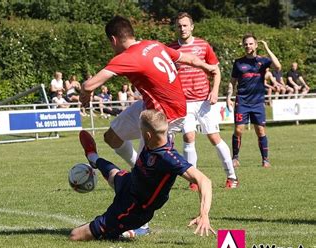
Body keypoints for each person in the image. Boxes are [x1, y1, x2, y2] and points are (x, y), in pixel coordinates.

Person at [80, 15, 218, 169]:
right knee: (112, 137)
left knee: (146, 173)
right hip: (154, 105)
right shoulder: (153, 45)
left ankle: (198, 181)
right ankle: (135, 171)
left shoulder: (128, 57)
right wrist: (208, 67)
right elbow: (190, 59)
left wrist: (85, 94)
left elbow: (87, 85)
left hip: (165, 114)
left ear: (113, 40)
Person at [70, 109, 215, 240]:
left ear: (147, 135)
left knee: (75, 235)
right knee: (113, 173)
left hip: (132, 209)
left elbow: (204, 181)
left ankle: (127, 231)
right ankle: (93, 157)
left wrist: (204, 214)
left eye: (140, 129)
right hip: (129, 183)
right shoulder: (154, 140)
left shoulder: (169, 158)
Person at [168, 12, 238, 190]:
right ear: (175, 28)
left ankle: (232, 176)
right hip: (183, 102)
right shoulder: (170, 49)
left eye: (185, 25)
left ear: (192, 27)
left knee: (214, 137)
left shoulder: (203, 45)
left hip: (204, 100)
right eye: (179, 25)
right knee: (188, 136)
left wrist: (215, 91)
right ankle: (194, 180)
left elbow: (216, 70)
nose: (182, 28)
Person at [226, 33, 282, 168]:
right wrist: (228, 97)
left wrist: (267, 48)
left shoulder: (263, 61)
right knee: (239, 130)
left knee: (261, 131)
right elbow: (232, 82)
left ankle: (265, 160)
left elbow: (278, 67)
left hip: (258, 102)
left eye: (251, 43)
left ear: (256, 45)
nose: (248, 46)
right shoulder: (238, 63)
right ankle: (235, 158)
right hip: (242, 101)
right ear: (243, 46)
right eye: (246, 44)